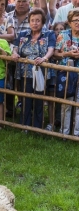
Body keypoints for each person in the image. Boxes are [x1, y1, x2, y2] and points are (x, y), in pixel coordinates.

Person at [12, 8, 56, 129]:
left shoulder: (49, 34)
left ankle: (37, 126)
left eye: (38, 20)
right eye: (32, 20)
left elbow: (51, 50)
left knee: (39, 100)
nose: (35, 23)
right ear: (29, 21)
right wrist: (15, 53)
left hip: (41, 72)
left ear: (42, 22)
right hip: (25, 72)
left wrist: (44, 58)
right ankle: (24, 126)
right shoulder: (22, 35)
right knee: (26, 100)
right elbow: (15, 47)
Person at [54, 8, 79, 136]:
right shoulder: (62, 35)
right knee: (66, 103)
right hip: (66, 73)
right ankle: (64, 132)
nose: (78, 22)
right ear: (69, 22)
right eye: (75, 20)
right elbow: (55, 54)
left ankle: (76, 133)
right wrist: (68, 54)